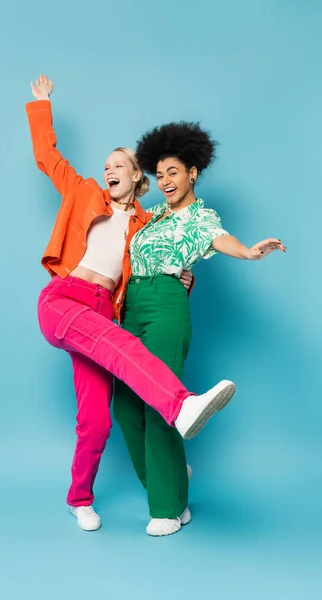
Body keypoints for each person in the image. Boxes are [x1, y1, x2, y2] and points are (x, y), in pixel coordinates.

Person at [26, 75, 236, 532]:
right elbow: (47, 158)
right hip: (65, 300)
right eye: (106, 165)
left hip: (103, 312)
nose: (109, 170)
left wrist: (186, 275)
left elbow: (168, 250)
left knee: (98, 419)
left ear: (137, 174)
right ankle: (180, 406)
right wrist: (41, 105)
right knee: (124, 350)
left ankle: (79, 496)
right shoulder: (83, 193)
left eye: (119, 164)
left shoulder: (147, 222)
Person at [113, 121, 286, 536]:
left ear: (193, 172)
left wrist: (246, 252)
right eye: (160, 174)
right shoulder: (149, 214)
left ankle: (168, 509)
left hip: (167, 306)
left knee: (159, 403)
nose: (166, 180)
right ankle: (173, 480)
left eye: (174, 172)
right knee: (123, 406)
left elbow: (220, 238)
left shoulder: (201, 216)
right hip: (130, 307)